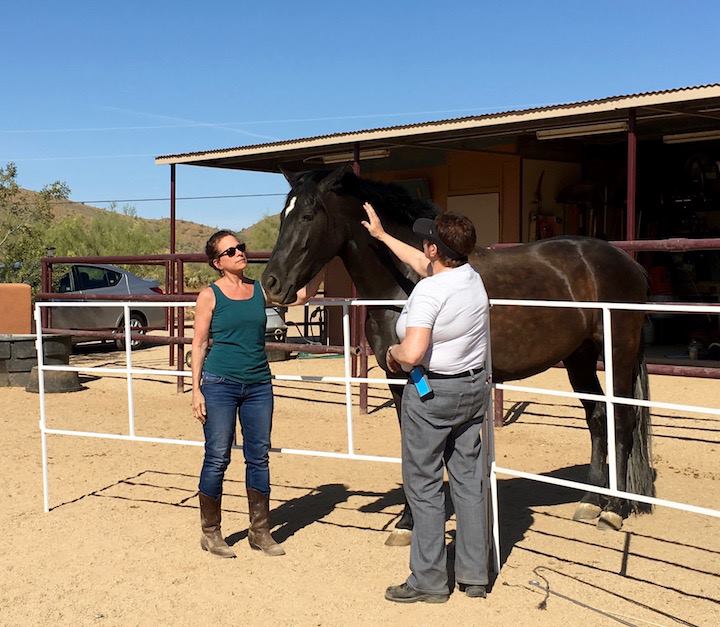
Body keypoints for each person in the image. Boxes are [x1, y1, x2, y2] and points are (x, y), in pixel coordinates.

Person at [361, 203, 492, 602]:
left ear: (436, 250)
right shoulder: (471, 278)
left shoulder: (428, 292)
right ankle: (474, 575)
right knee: (468, 482)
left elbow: (414, 351)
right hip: (472, 390)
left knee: (424, 486)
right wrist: (382, 236)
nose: (423, 247)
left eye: (427, 242)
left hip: (432, 393)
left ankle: (429, 580)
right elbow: (421, 264)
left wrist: (392, 354)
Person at [192, 230, 323, 558]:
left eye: (240, 247)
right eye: (230, 251)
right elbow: (199, 343)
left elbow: (302, 297)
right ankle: (211, 532)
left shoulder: (259, 290)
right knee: (217, 456)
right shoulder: (209, 295)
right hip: (219, 384)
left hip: (258, 385)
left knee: (259, 457)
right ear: (217, 262)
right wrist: (196, 390)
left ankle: (260, 530)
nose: (239, 253)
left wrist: (323, 261)